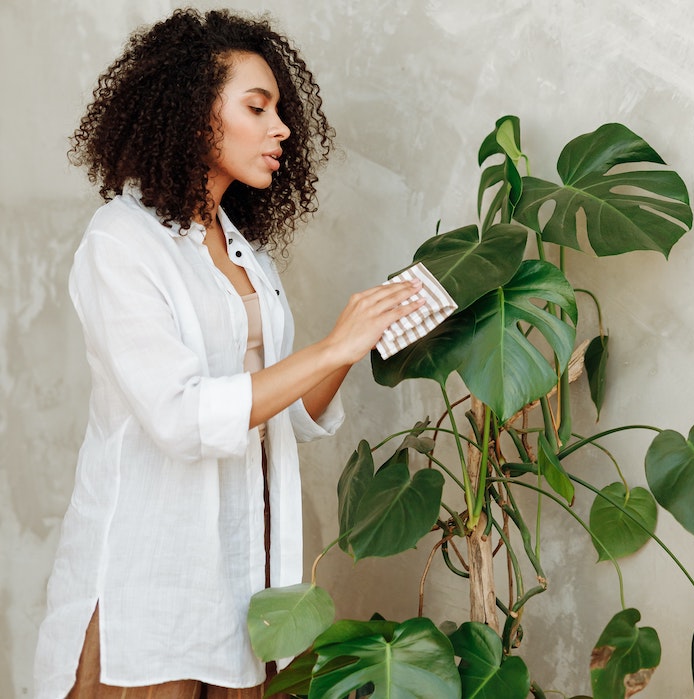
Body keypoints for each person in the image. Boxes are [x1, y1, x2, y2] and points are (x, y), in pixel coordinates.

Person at [33, 8, 423, 698]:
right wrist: (332, 343)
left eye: (280, 109)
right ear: (191, 113)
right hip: (152, 588)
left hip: (246, 585)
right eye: (257, 106)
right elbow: (182, 417)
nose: (282, 128)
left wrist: (356, 340)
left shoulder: (243, 250)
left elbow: (286, 413)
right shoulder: (120, 242)